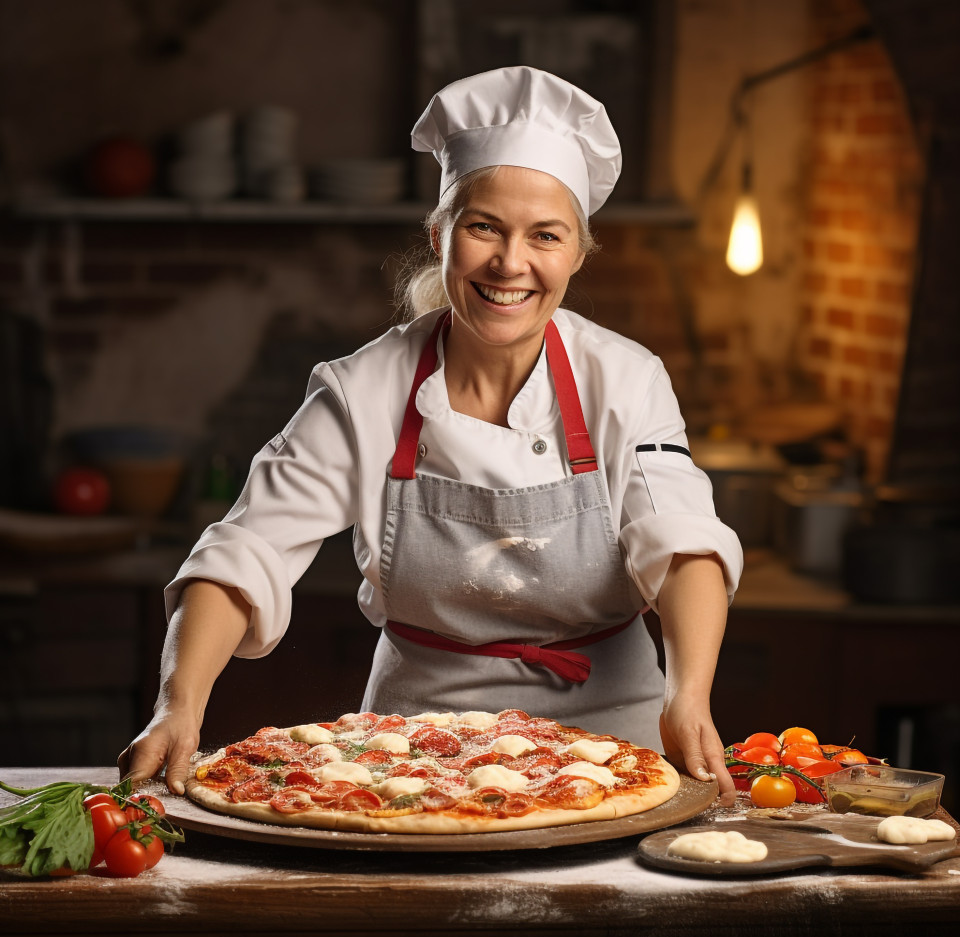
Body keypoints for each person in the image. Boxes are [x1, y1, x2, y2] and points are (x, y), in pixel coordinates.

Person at [119, 66, 743, 802]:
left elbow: (684, 543)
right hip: (411, 751)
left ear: (577, 253)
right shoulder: (363, 389)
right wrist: (179, 703)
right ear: (440, 233)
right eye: (484, 227)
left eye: (545, 236)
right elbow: (245, 549)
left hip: (613, 742)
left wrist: (688, 695)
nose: (511, 263)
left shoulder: (626, 379)